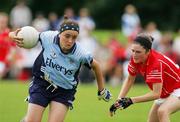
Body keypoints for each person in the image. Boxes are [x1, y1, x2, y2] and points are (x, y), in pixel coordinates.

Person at [9, 15, 112, 122]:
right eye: (67, 36)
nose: (70, 41)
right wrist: (12, 35)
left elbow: (96, 66)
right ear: (59, 33)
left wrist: (101, 90)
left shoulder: (81, 53)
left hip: (64, 91)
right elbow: (27, 36)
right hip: (41, 84)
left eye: (74, 37)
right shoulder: (48, 37)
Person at [109, 33, 180, 122]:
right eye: (133, 51)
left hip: (178, 88)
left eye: (138, 52)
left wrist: (131, 100)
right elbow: (130, 79)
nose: (134, 54)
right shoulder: (135, 59)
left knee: (163, 111)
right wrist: (118, 101)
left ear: (148, 51)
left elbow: (155, 94)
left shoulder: (156, 63)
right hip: (166, 92)